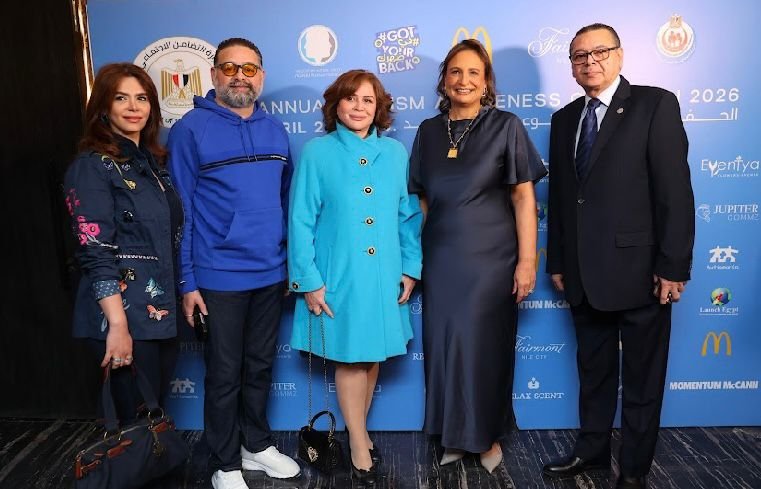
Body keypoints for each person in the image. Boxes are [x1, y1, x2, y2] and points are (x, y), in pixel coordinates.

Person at [543, 23, 694, 489]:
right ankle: (591, 452)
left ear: (620, 55)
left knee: (643, 381)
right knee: (593, 374)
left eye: (599, 52)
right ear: (571, 66)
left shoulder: (655, 104)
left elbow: (674, 192)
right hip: (583, 274)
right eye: (579, 56)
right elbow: (564, 199)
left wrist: (673, 266)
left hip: (641, 274)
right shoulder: (565, 119)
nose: (589, 62)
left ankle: (633, 470)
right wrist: (558, 261)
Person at [408, 39, 547, 473]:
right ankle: (453, 435)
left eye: (473, 72)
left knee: (485, 349)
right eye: (455, 72)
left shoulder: (506, 125)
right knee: (444, 348)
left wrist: (528, 261)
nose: (463, 80)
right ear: (443, 81)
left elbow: (523, 197)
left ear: (486, 83)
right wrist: (414, 259)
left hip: (492, 260)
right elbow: (422, 201)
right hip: (441, 259)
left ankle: (486, 437)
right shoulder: (429, 132)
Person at [167, 38, 299, 489]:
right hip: (217, 276)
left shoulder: (275, 129)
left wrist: (289, 264)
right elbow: (181, 210)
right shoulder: (190, 130)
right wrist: (187, 281)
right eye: (229, 68)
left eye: (249, 68)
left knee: (259, 366)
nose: (239, 76)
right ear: (213, 75)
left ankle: (255, 445)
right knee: (224, 374)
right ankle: (225, 463)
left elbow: (285, 201)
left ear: (261, 76)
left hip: (271, 273)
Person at [288, 69, 423, 482]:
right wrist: (308, 280)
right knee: (351, 355)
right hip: (338, 276)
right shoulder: (317, 152)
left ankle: (356, 434)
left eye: (368, 100)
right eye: (350, 98)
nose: (359, 107)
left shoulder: (395, 154)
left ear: (379, 107)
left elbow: (407, 215)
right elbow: (300, 219)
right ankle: (360, 443)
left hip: (385, 274)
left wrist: (410, 267)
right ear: (336, 105)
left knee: (372, 354)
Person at [65, 63, 183, 424]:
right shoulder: (91, 167)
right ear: (104, 107)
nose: (133, 107)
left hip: (159, 314)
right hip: (122, 319)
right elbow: (95, 251)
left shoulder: (151, 165)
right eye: (121, 98)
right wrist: (117, 325)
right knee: (132, 430)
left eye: (142, 98)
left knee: (152, 424)